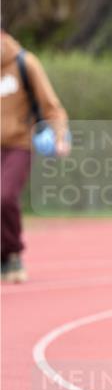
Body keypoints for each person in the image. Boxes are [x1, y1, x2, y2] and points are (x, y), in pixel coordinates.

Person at [1, 29, 70, 283]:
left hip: (19, 143)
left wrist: (60, 136)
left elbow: (51, 106)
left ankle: (12, 253)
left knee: (5, 197)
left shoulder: (24, 62)